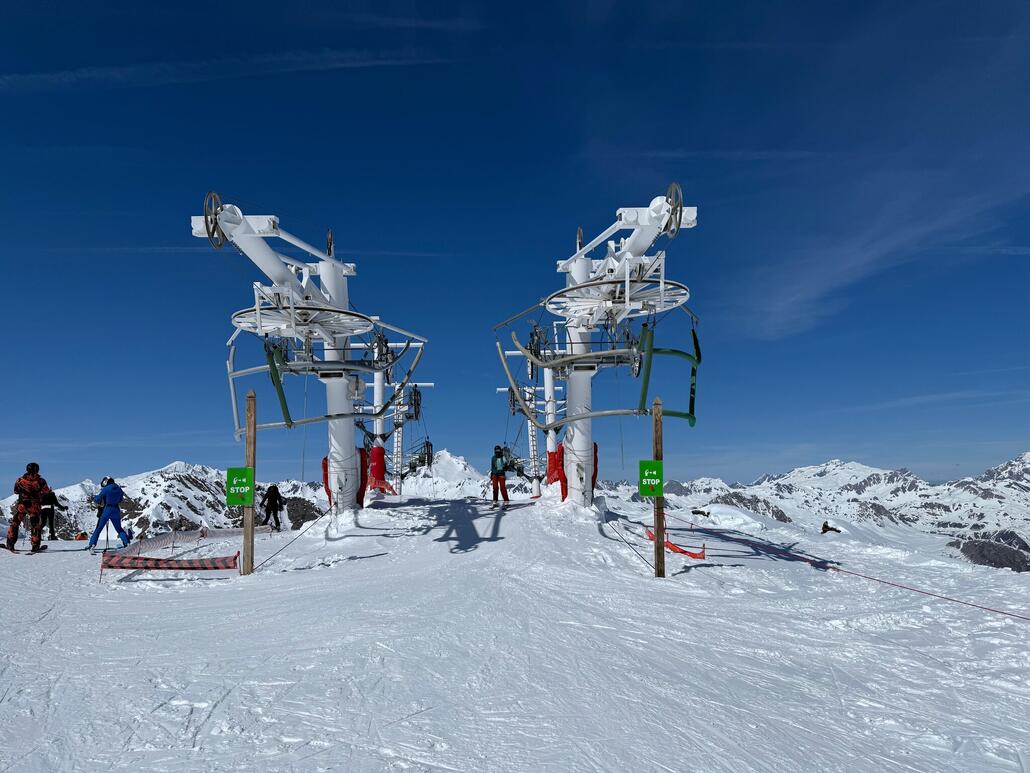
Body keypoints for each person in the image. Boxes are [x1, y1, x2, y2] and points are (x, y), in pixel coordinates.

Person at [6, 462, 51, 552]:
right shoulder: (41, 481)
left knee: (15, 522)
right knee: (35, 525)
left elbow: (15, 491)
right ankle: (35, 546)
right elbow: (46, 491)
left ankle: (10, 544)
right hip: (34, 506)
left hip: (22, 505)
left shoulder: (20, 480)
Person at [87, 477, 130, 550]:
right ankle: (127, 543)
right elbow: (120, 499)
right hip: (116, 510)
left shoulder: (106, 489)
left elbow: (97, 500)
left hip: (107, 510)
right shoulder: (119, 489)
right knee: (119, 529)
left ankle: (92, 545)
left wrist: (96, 499)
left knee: (98, 529)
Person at [489, 445, 509, 510]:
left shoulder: (503, 457)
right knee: (495, 488)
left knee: (502, 488)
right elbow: (492, 467)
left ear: (500, 451)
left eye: (498, 451)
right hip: (495, 474)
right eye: (496, 451)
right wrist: (492, 474)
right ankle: (495, 501)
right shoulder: (493, 458)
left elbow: (506, 464)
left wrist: (506, 467)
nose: (497, 452)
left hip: (501, 474)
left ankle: (506, 501)